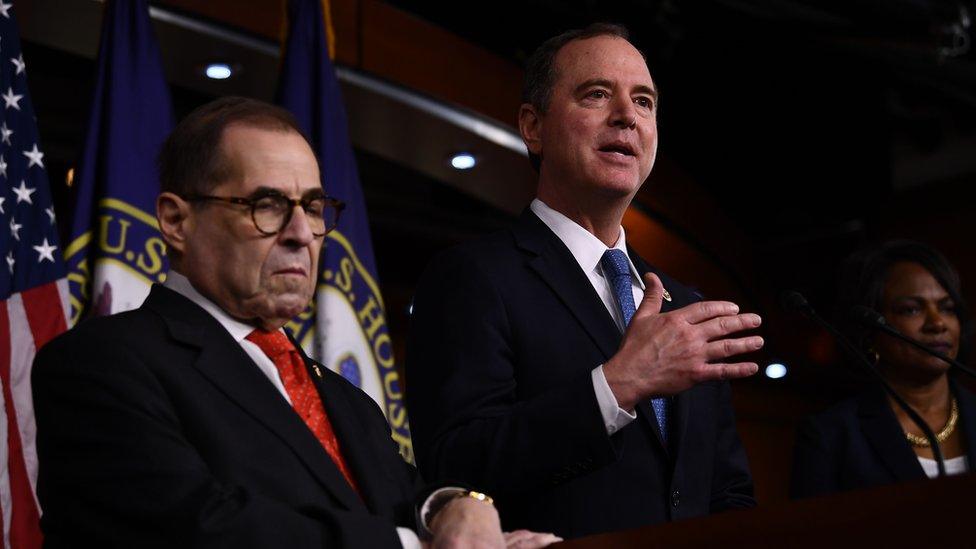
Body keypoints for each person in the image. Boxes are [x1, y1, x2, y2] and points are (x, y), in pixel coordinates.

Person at [32, 97, 560, 548]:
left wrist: (450, 507)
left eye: (312, 206)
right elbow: (197, 529)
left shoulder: (345, 400)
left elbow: (405, 494)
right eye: (266, 204)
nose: (302, 233)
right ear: (175, 221)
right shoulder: (99, 365)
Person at [405, 24, 762, 539]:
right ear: (533, 127)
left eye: (644, 101)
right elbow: (456, 466)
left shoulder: (685, 309)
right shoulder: (474, 276)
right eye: (597, 94)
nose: (627, 116)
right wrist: (618, 386)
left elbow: (726, 493)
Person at [791, 240, 976, 497]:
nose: (937, 323)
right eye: (911, 310)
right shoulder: (832, 434)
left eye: (947, 308)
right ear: (870, 329)